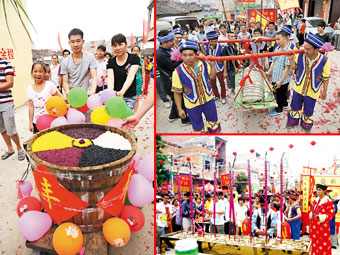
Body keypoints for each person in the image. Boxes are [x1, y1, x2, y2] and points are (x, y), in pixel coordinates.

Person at [172, 39, 221, 133]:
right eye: (185, 55)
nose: (188, 58)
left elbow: (212, 77)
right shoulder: (177, 72)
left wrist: (213, 65)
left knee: (213, 123)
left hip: (208, 100)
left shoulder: (204, 64)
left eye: (191, 55)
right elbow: (177, 92)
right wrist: (179, 109)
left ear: (196, 54)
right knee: (198, 128)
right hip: (192, 104)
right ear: (181, 56)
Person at [287, 33, 330, 132]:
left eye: (308, 49)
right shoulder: (300, 55)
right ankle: (292, 121)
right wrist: (291, 60)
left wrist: (324, 91)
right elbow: (294, 68)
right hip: (299, 88)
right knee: (295, 106)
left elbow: (326, 77)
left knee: (309, 109)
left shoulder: (324, 60)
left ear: (316, 50)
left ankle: (306, 124)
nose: (304, 50)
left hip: (312, 90)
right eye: (304, 48)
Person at [157, 30, 189, 124]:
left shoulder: (166, 50)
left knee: (175, 100)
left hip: (169, 79)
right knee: (180, 99)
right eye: (171, 41)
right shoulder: (161, 54)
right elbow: (174, 65)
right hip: (169, 81)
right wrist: (184, 57)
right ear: (164, 42)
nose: (173, 42)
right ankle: (184, 119)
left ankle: (173, 115)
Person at [27, 61, 63, 133]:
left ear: (45, 73)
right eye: (35, 71)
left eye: (40, 71)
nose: (37, 74)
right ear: (32, 73)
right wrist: (30, 123)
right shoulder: (29, 88)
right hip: (37, 123)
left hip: (51, 121)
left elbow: (58, 101)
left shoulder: (50, 85)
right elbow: (31, 106)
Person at [60, 28, 98, 96]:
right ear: (69, 43)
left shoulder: (90, 57)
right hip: (72, 96)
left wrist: (92, 90)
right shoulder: (65, 62)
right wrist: (68, 92)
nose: (75, 44)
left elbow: (94, 76)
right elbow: (65, 82)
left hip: (85, 95)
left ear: (83, 41)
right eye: (72, 42)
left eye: (78, 41)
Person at [107, 33, 140, 110]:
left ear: (126, 44)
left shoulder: (134, 58)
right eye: (115, 46)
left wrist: (122, 92)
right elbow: (110, 79)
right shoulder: (111, 62)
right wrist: (111, 93)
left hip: (129, 96)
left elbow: (130, 77)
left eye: (120, 45)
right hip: (115, 96)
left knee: (126, 119)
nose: (118, 48)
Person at [0, 58, 25, 161]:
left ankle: (19, 148)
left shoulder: (5, 63)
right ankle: (10, 149)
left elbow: (10, 83)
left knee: (10, 129)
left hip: (6, 102)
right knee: (2, 129)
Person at [266, 30, 292, 115]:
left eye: (278, 39)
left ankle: (279, 109)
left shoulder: (288, 51)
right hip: (275, 76)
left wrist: (280, 81)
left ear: (285, 39)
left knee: (280, 94)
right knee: (282, 94)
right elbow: (273, 62)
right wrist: (269, 72)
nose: (276, 41)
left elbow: (287, 69)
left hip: (282, 79)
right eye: (276, 39)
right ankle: (285, 104)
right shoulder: (277, 49)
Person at [310, 184, 335, 255]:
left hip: (323, 226)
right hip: (314, 225)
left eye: (320, 190)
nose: (318, 192)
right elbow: (312, 210)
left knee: (323, 242)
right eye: (317, 190)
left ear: (324, 191)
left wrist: (319, 217)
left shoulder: (328, 201)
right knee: (314, 242)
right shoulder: (315, 200)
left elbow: (331, 214)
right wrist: (311, 215)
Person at [203, 31, 227, 104]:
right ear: (209, 41)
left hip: (219, 68)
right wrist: (202, 48)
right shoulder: (207, 46)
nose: (214, 43)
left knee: (222, 83)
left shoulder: (221, 47)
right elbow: (206, 54)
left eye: (215, 41)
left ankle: (223, 97)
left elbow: (225, 59)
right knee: (213, 83)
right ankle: (216, 95)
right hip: (211, 69)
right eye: (212, 41)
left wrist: (225, 71)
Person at [131, 46, 144, 111]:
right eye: (134, 50)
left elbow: (143, 72)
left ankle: (135, 112)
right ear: (131, 51)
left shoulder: (141, 61)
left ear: (139, 52)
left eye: (137, 51)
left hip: (138, 81)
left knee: (136, 98)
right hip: (130, 81)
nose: (136, 52)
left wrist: (143, 83)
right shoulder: (129, 61)